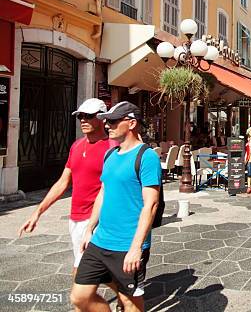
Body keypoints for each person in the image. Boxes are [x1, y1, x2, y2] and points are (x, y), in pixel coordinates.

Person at [71, 101, 161, 312]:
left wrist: (136, 247)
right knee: (80, 297)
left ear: (130, 123)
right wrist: (90, 228)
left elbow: (151, 204)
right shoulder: (110, 155)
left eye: (112, 121)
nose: (107, 125)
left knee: (130, 302)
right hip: (101, 240)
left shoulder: (146, 157)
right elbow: (104, 192)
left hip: (126, 244)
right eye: (106, 121)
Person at [19, 99, 119, 278]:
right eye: (80, 116)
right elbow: (63, 182)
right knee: (98, 274)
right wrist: (37, 212)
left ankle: (122, 298)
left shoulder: (113, 148)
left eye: (89, 116)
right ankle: (125, 296)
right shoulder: (76, 146)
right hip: (75, 218)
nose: (83, 120)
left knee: (81, 275)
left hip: (97, 221)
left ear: (103, 118)